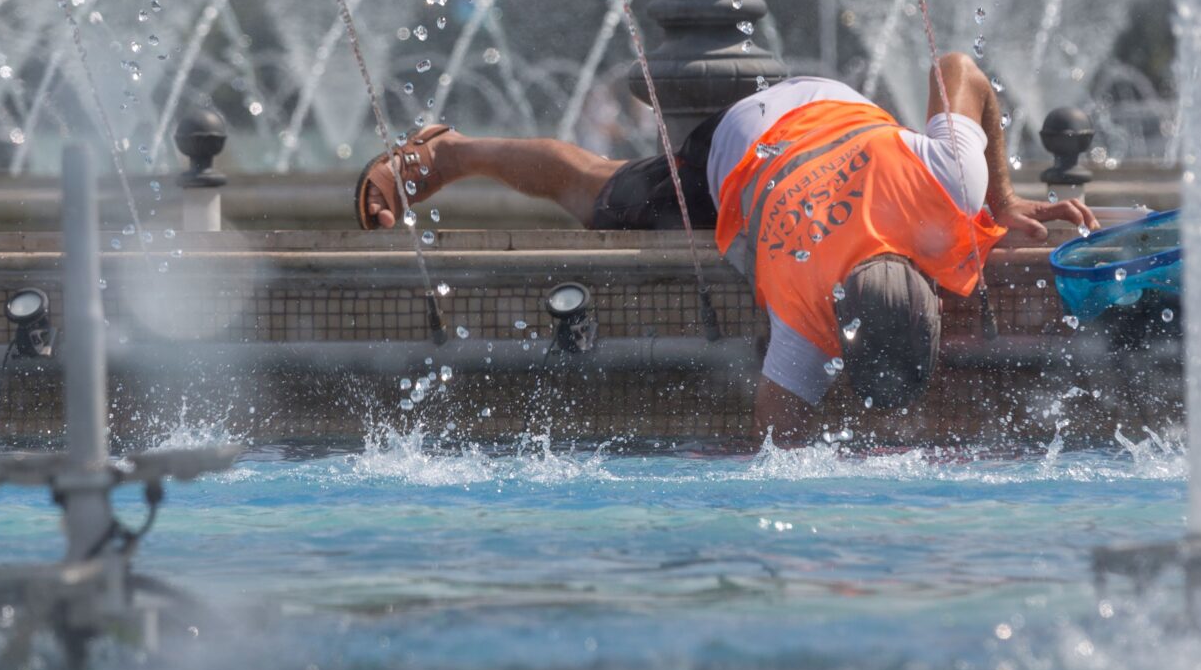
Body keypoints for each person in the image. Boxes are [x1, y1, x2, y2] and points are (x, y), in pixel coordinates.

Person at [355, 55, 1096, 444]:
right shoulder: (804, 320)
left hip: (829, 104)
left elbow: (957, 70)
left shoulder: (948, 179)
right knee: (596, 191)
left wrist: (995, 200)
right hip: (735, 146)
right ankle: (450, 155)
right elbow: (773, 441)